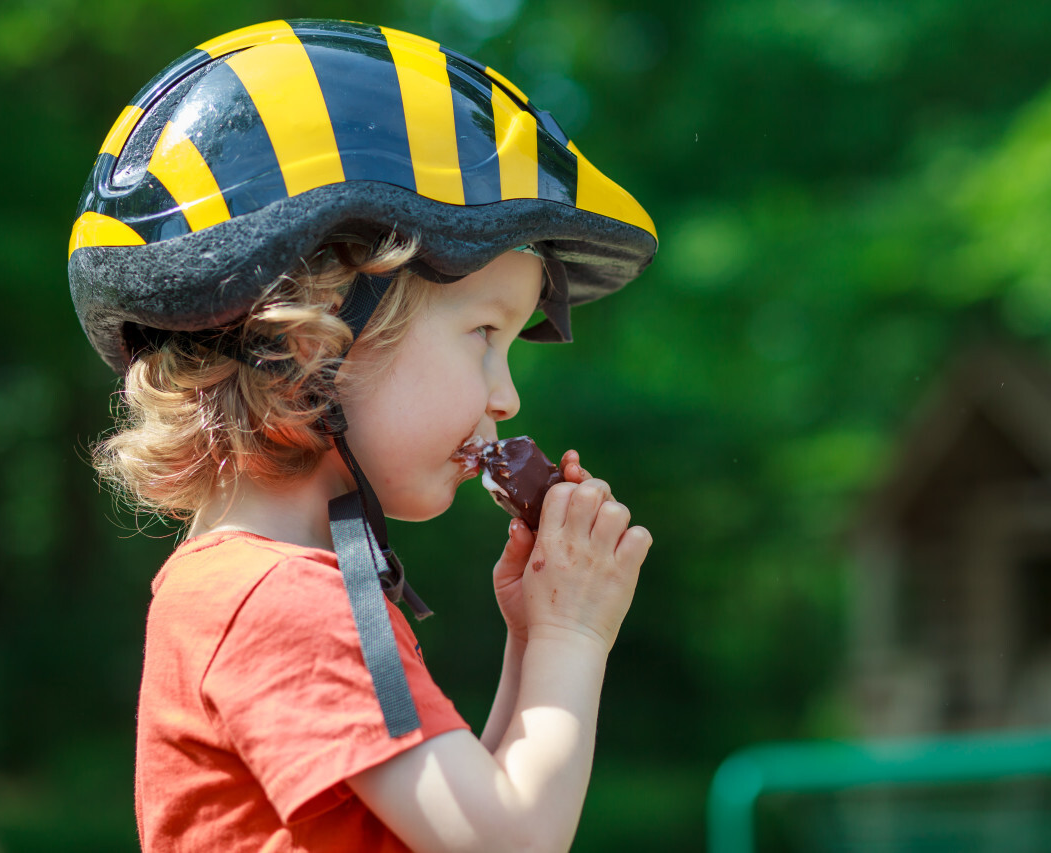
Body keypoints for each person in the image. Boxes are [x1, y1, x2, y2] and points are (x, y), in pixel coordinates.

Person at [67, 18, 658, 853]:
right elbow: (508, 843)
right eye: (484, 334)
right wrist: (574, 634)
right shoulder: (281, 603)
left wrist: (531, 637)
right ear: (313, 341)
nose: (508, 398)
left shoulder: (259, 589)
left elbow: (467, 820)